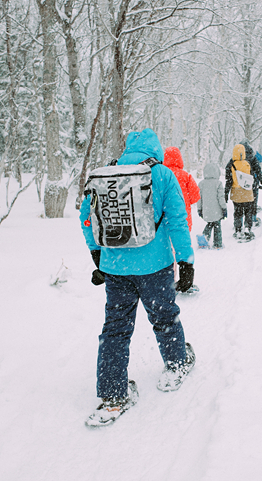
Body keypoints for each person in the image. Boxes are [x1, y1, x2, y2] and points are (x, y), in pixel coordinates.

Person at [80, 128, 196, 427]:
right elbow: (177, 220)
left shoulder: (108, 174)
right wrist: (185, 261)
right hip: (155, 266)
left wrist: (97, 254)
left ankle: (113, 395)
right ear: (155, 150)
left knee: (116, 329)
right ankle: (176, 363)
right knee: (164, 317)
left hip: (116, 266)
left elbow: (85, 217)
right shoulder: (163, 175)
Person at [163, 146, 201, 231]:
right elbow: (195, 196)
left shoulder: (161, 175)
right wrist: (186, 200)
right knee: (182, 240)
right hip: (183, 214)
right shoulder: (186, 176)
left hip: (165, 215)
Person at [225, 144, 256, 241]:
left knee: (238, 212)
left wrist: (226, 193)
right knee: (248, 211)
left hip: (236, 193)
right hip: (247, 192)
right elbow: (252, 178)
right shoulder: (247, 164)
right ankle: (247, 228)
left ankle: (238, 230)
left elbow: (229, 181)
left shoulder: (231, 165)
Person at [197, 162, 227, 249]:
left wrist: (199, 209)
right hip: (216, 211)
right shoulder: (218, 183)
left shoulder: (201, 184)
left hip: (206, 210)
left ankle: (203, 240)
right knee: (217, 226)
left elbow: (199, 198)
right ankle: (217, 244)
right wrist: (224, 208)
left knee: (209, 224)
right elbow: (221, 197)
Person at [241, 140, 262, 223]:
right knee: (253, 202)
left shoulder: (237, 158)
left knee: (241, 204)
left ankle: (240, 222)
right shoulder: (253, 157)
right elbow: (259, 172)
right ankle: (253, 218)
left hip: (240, 184)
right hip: (253, 183)